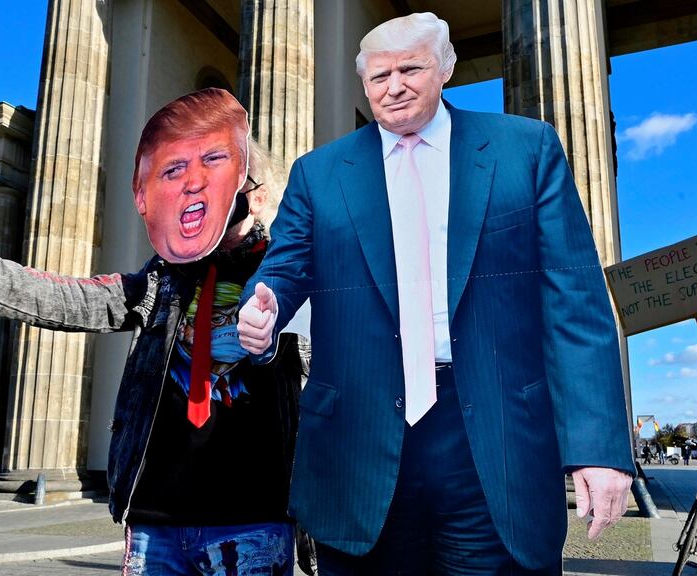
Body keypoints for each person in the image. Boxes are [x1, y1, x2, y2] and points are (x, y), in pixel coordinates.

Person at [237, 12, 634, 574]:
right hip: (359, 444)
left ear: (445, 68)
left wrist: (596, 448)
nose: (393, 86)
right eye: (378, 76)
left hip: (492, 443)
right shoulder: (318, 173)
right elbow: (285, 264)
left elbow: (577, 302)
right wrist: (267, 301)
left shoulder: (525, 150)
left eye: (410, 69)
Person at [0, 89, 304, 575]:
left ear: (254, 192)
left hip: (252, 523)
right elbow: (73, 296)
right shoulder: (162, 278)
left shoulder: (296, 273)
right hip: (156, 524)